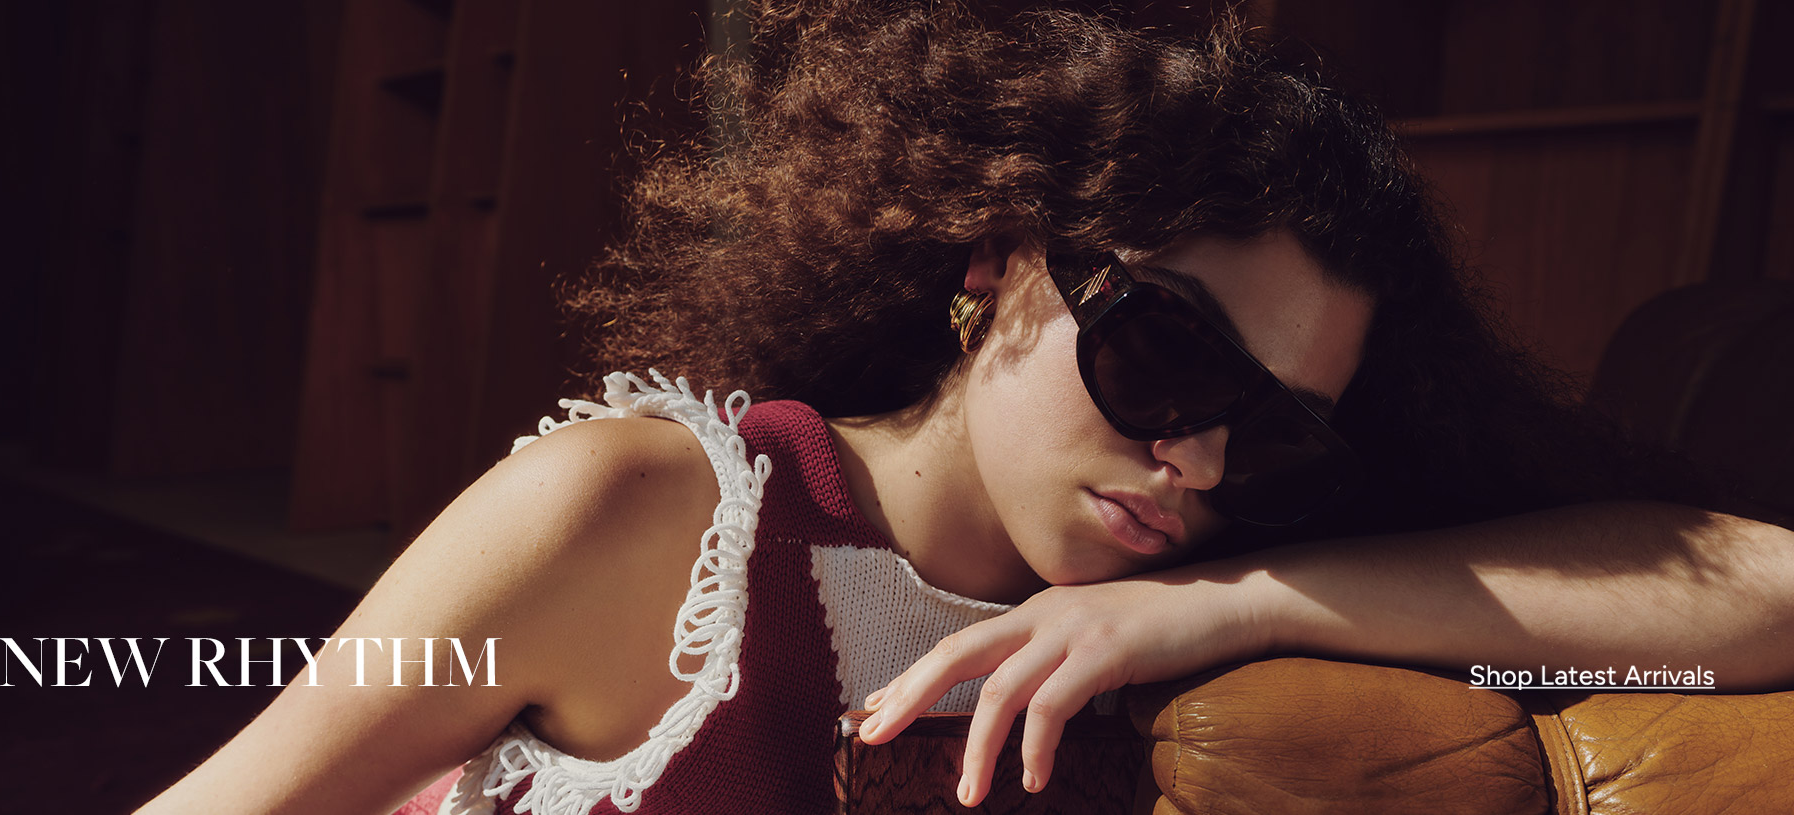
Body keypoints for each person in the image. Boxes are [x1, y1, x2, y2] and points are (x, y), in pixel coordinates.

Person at [137, 3, 1794, 814]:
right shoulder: (645, 518)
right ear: (1003, 261)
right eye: (1168, 353)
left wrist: (1241, 601)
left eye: (1282, 430)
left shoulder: (1220, 574)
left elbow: (1768, 588)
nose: (1201, 457)